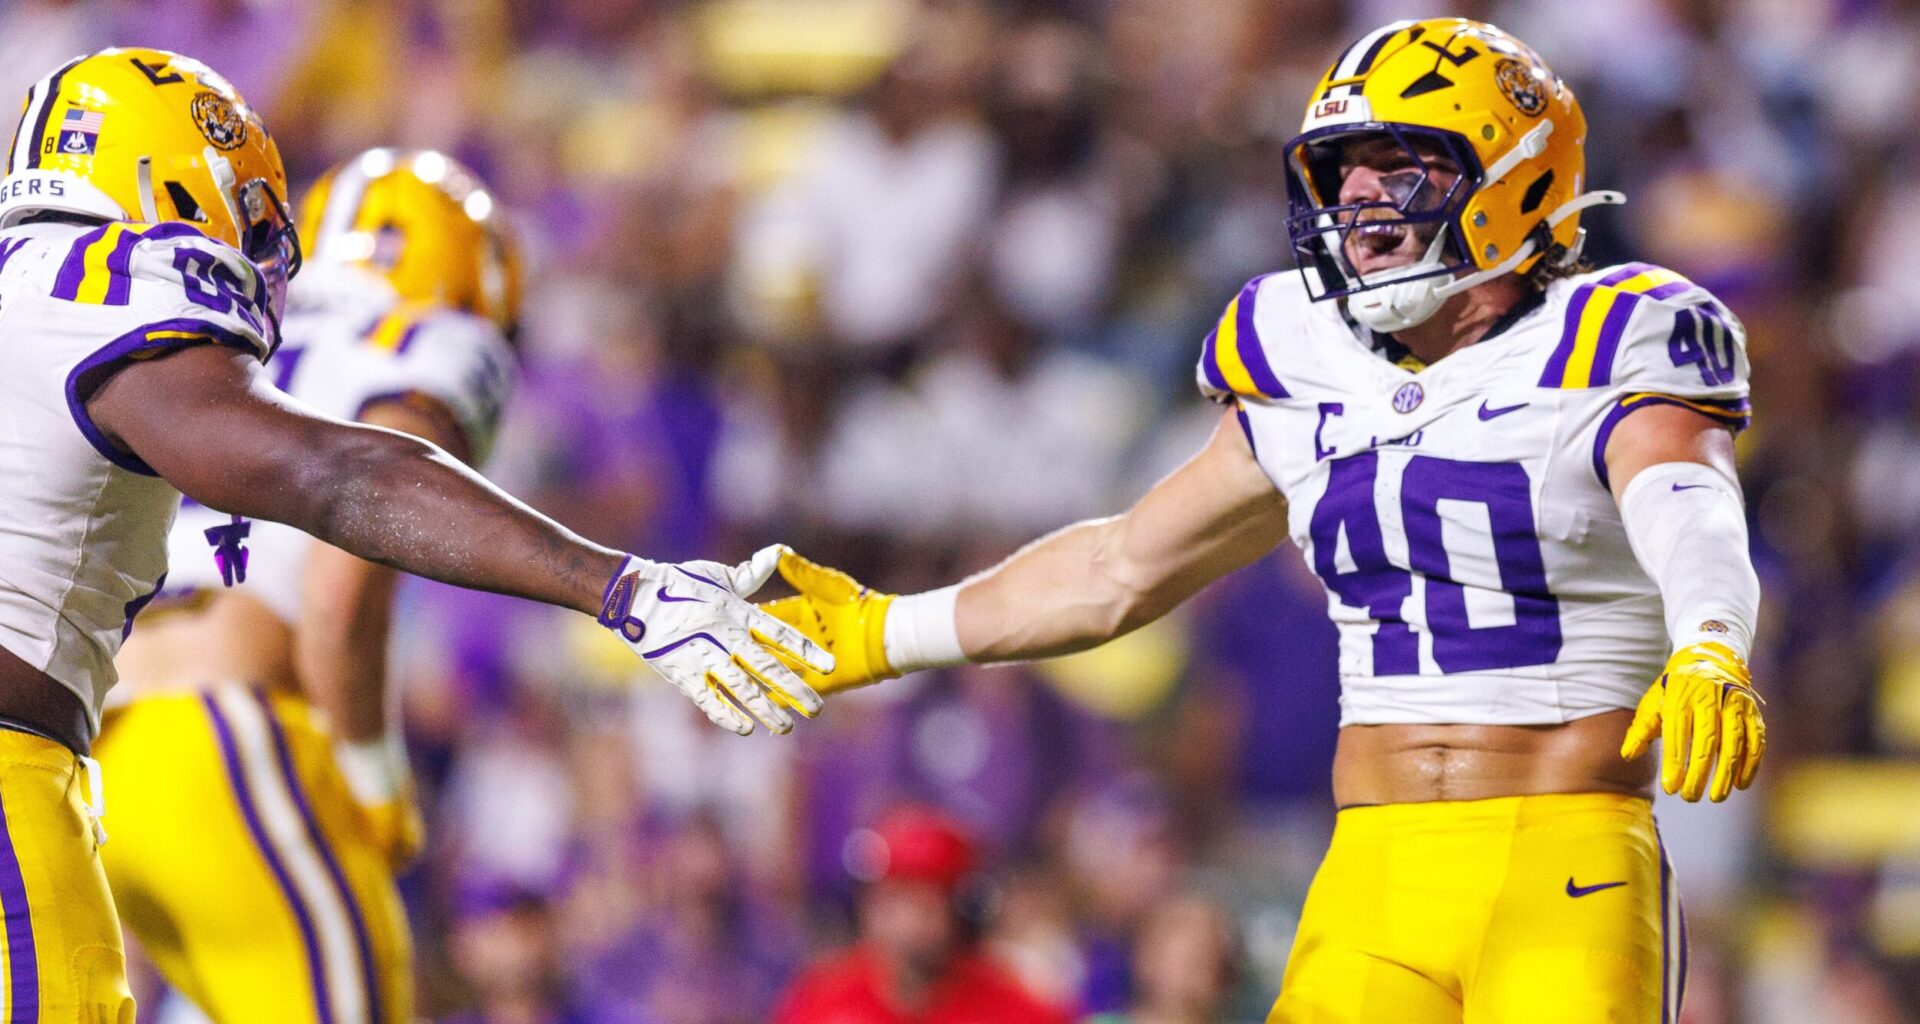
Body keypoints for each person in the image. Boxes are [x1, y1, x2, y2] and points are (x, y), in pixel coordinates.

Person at [765, 18, 1764, 1024]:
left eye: (1400, 167)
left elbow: (1686, 501)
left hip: (1565, 855)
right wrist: (881, 631)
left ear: (1517, 182)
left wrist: (1713, 640)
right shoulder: (1299, 352)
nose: (1359, 199)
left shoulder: (1618, 334)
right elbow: (1119, 567)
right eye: (1343, 173)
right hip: (1373, 862)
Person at [0, 47, 829, 1018]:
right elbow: (338, 486)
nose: (263, 251)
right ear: (162, 176)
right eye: (250, 211)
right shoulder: (107, 280)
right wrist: (617, 584)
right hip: (162, 739)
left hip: (112, 743)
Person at [100, 147, 527, 1023]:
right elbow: (341, 602)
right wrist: (374, 776)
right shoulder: (429, 340)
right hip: (218, 733)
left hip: (93, 743)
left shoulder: (217, 325)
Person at [773, 806, 1074, 1024]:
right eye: (889, 900)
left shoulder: (1022, 1009)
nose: (901, 923)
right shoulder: (821, 997)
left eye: (920, 904)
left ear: (963, 914)